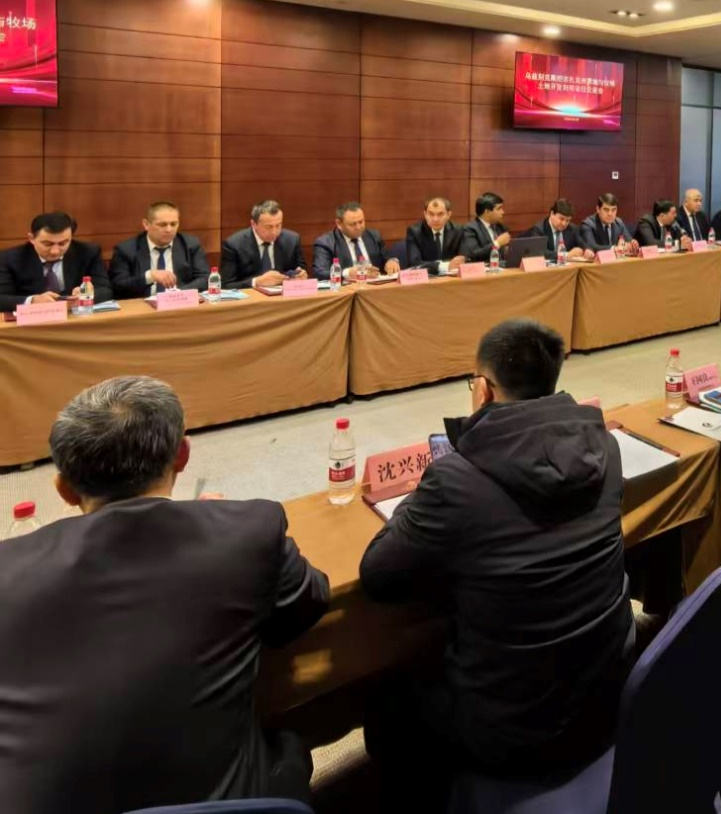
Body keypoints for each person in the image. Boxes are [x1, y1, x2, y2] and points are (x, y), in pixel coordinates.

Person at [0, 376, 329, 813]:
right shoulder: (248, 530)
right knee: (291, 743)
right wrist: (217, 523)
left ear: (63, 489)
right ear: (183, 455)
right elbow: (308, 603)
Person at [360, 319, 634, 809]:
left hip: (510, 731)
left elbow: (379, 575)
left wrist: (420, 496)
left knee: (386, 703)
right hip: (604, 696)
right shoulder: (606, 447)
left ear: (483, 390)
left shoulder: (456, 478)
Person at [0, 211, 112, 312]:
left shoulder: (88, 252)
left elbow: (106, 290)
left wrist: (86, 295)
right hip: (32, 321)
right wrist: (32, 300)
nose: (55, 251)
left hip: (75, 317)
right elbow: (2, 298)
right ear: (32, 238)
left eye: (63, 243)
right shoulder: (9, 258)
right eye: (47, 244)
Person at [109, 201, 210, 298]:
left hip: (181, 304)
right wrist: (150, 276)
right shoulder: (126, 250)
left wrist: (177, 295)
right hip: (143, 306)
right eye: (162, 225)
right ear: (146, 224)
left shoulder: (190, 245)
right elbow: (118, 285)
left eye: (173, 224)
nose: (169, 230)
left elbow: (205, 279)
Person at [220, 200, 307, 290]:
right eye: (268, 227)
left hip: (283, 295)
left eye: (278, 225)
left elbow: (300, 272)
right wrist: (256, 282)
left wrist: (300, 276)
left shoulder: (292, 240)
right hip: (252, 297)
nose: (274, 232)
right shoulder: (234, 244)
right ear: (254, 224)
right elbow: (225, 285)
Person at [311, 201, 397, 280]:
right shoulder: (326, 243)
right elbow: (319, 273)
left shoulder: (374, 236)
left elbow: (387, 258)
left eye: (361, 222)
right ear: (339, 224)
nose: (358, 227)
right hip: (347, 289)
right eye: (353, 224)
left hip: (376, 286)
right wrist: (347, 273)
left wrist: (391, 262)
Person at [403, 196, 467, 273]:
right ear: (425, 214)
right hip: (428, 278)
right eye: (431, 214)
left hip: (452, 277)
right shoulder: (415, 232)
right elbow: (414, 263)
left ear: (448, 215)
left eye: (440, 214)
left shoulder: (458, 230)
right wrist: (444, 266)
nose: (435, 219)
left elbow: (464, 258)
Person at [459, 192, 512, 264]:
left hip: (503, 267)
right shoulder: (470, 229)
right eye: (499, 209)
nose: (503, 212)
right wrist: (497, 243)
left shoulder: (501, 227)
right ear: (487, 212)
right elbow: (473, 256)